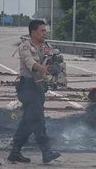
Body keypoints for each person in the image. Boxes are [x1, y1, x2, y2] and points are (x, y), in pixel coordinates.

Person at [8, 20, 61, 164]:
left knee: (29, 120)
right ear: (33, 32)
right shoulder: (24, 47)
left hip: (38, 87)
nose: (45, 33)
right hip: (27, 86)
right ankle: (46, 151)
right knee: (38, 119)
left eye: (45, 30)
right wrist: (45, 69)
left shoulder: (46, 47)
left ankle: (15, 152)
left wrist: (56, 68)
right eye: (42, 31)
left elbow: (54, 60)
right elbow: (30, 63)